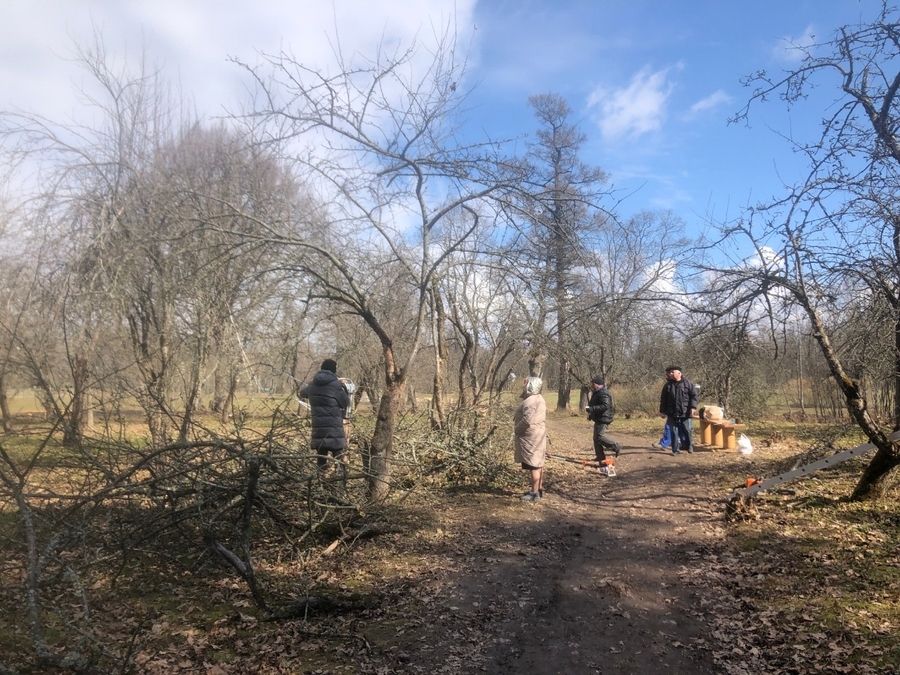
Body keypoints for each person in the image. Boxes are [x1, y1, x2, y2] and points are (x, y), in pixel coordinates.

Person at [299, 359, 352, 478]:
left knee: (321, 461)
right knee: (338, 460)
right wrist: (342, 386)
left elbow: (302, 393)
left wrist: (312, 387)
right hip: (334, 431)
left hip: (318, 431)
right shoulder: (335, 385)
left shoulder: (313, 384)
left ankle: (319, 485)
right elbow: (346, 403)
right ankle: (339, 485)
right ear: (334, 371)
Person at [513, 376, 548, 502]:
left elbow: (527, 420)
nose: (523, 386)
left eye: (525, 384)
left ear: (531, 385)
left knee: (533, 464)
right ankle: (538, 488)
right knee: (538, 463)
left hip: (531, 437)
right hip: (537, 435)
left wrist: (517, 429)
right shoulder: (539, 399)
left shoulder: (531, 401)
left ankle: (534, 493)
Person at [658, 365, 699, 455]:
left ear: (679, 373)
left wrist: (693, 407)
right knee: (673, 431)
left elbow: (694, 396)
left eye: (673, 372)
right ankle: (675, 450)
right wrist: (662, 411)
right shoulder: (667, 385)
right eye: (670, 372)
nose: (670, 374)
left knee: (687, 430)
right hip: (671, 412)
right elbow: (663, 399)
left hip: (685, 411)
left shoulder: (688, 383)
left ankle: (689, 446)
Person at [585, 376, 621, 475]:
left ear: (598, 384)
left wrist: (592, 409)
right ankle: (600, 457)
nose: (592, 385)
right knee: (595, 438)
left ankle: (615, 446)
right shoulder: (597, 392)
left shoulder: (604, 392)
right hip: (598, 418)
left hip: (604, 418)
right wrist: (591, 413)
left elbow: (605, 406)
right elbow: (595, 405)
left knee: (599, 437)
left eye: (593, 384)